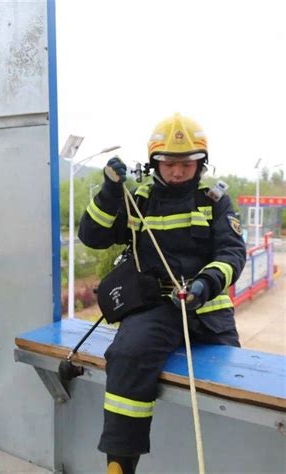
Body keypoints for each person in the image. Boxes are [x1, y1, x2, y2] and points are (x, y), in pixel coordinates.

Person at [78, 113, 246, 474]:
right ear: (154, 162)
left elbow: (232, 254)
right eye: (169, 163)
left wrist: (204, 285)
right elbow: (92, 237)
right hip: (156, 308)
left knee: (240, 386)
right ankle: (120, 464)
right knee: (125, 355)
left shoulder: (214, 200)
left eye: (187, 164)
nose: (177, 172)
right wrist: (109, 190)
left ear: (201, 163)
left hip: (209, 311)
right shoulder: (138, 198)